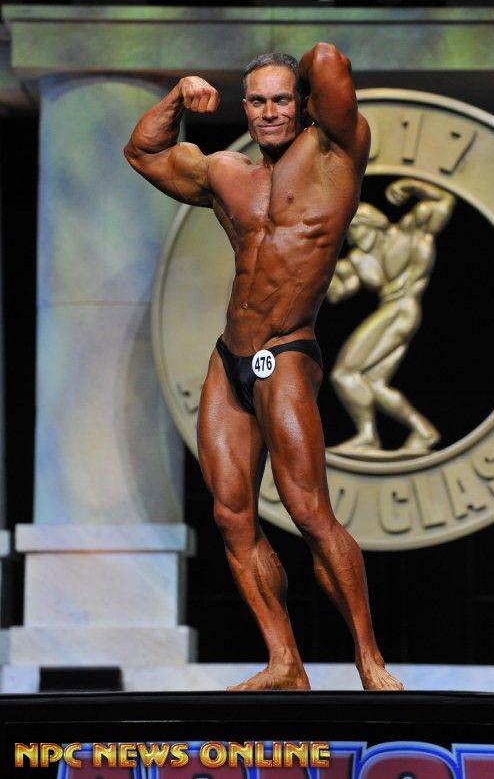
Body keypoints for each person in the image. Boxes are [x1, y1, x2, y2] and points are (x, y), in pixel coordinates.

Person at [124, 42, 403, 691]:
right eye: (257, 101)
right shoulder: (227, 173)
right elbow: (143, 152)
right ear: (244, 109)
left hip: (288, 351)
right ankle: (285, 662)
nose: (269, 111)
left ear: (304, 104)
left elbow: (328, 59)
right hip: (231, 358)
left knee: (308, 511)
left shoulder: (336, 155)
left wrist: (303, 71)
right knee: (231, 516)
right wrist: (178, 95)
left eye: (282, 99)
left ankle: (369, 659)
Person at [327, 181, 455, 456]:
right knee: (373, 383)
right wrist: (318, 272)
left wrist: (413, 186)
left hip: (401, 309)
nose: (354, 238)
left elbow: (444, 201)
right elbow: (338, 293)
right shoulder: (360, 260)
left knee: (343, 374)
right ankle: (422, 431)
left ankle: (367, 436)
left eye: (356, 229)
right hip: (394, 312)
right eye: (350, 233)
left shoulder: (408, 232)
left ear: (372, 223)